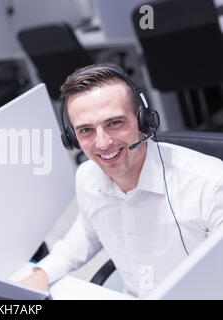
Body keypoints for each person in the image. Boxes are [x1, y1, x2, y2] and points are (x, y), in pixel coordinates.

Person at [19, 62, 223, 298]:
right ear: (71, 137)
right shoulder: (88, 177)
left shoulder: (210, 186)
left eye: (114, 123)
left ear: (144, 119)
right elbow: (87, 232)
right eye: (86, 130)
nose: (103, 143)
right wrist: (42, 273)